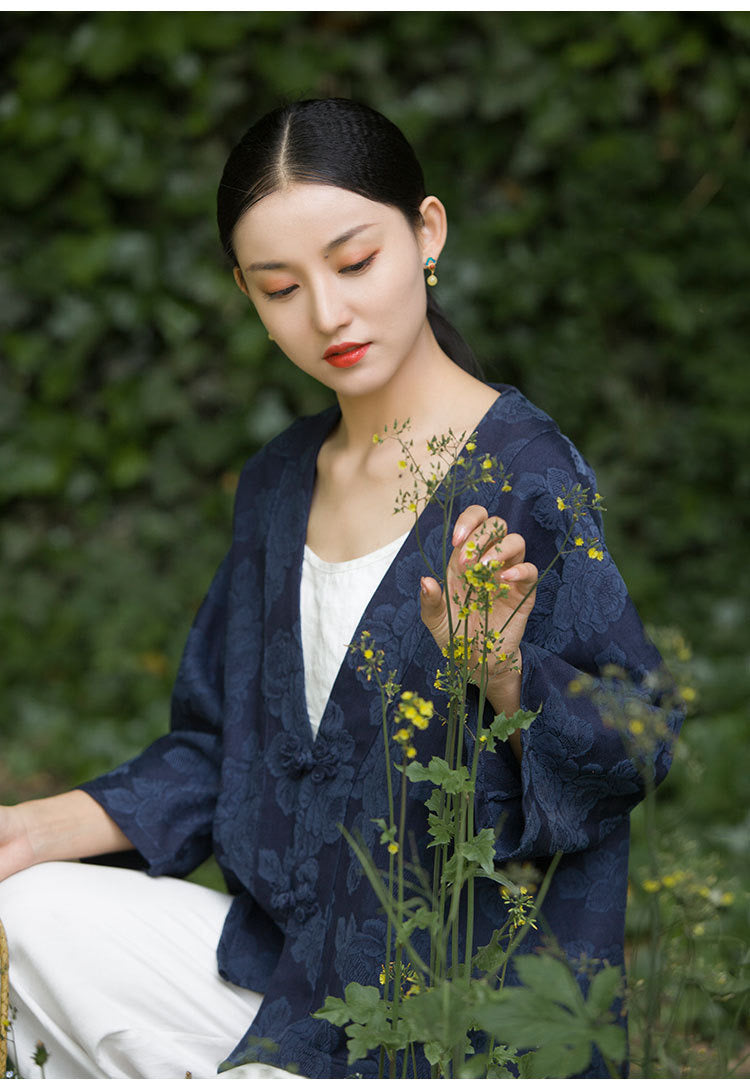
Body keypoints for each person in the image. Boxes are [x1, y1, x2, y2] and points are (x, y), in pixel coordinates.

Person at [0, 98, 677, 1080]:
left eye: (354, 263)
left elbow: (639, 743)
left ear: (427, 232)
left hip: (449, 1014)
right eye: (281, 287)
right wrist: (26, 829)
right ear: (246, 292)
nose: (326, 314)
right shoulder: (280, 482)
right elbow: (221, 750)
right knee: (23, 913)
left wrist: (503, 673)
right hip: (285, 976)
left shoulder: (524, 476)